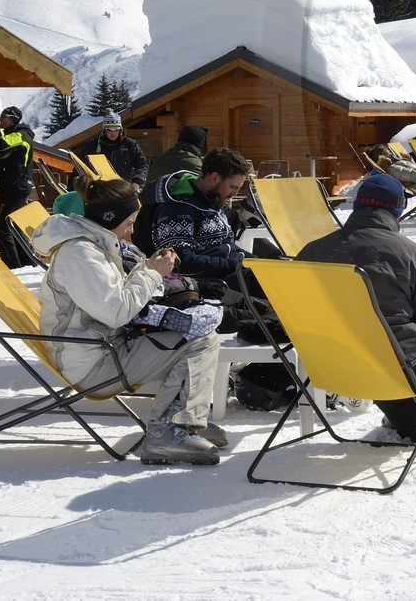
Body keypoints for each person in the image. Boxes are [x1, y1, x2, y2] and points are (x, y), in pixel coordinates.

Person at [34, 178, 225, 466]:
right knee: (198, 339)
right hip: (93, 365)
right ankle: (170, 429)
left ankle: (186, 417)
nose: (132, 230)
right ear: (110, 218)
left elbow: (112, 301)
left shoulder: (93, 244)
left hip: (102, 348)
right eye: (129, 222)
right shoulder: (80, 254)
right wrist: (152, 274)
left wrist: (146, 268)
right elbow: (117, 311)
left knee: (198, 330)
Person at [298, 173, 416, 444]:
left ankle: (407, 415)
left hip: (330, 368)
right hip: (392, 372)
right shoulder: (409, 253)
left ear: (358, 206)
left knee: (385, 356)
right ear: (397, 212)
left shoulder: (312, 251)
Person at [135, 147, 252, 296]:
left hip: (230, 273)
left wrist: (255, 262)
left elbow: (226, 245)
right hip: (204, 285)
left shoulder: (212, 200)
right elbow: (181, 261)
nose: (235, 194)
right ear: (214, 177)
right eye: (232, 187)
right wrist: (236, 265)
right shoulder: (177, 208)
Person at [0, 105, 37, 269]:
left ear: (11, 119)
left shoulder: (21, 135)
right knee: (14, 228)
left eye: (3, 117)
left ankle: (12, 267)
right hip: (11, 188)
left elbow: (1, 144)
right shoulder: (14, 134)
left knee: (2, 230)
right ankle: (27, 265)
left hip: (16, 189)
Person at [78, 114, 149, 187]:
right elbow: (79, 166)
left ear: (120, 130)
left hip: (123, 189)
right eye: (110, 130)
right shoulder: (92, 146)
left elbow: (142, 164)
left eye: (116, 130)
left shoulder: (129, 144)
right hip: (99, 190)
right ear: (104, 130)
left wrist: (137, 182)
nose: (113, 133)